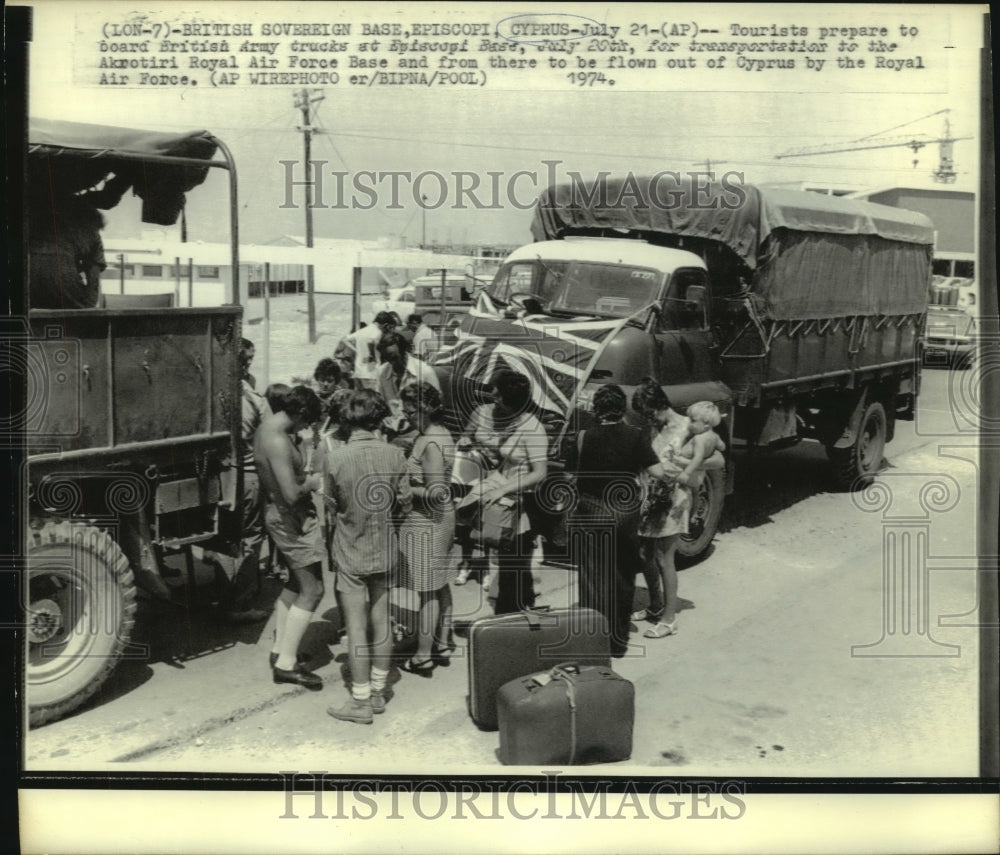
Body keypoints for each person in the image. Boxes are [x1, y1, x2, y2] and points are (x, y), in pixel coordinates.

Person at [325, 389, 412, 724]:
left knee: (356, 627)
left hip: (350, 549)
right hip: (386, 549)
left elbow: (332, 508)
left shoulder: (335, 458)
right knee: (382, 620)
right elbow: (403, 505)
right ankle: (378, 692)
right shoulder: (395, 455)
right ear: (378, 419)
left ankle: (359, 700)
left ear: (346, 420)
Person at [567, 384, 664, 657]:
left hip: (590, 512)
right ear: (622, 410)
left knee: (590, 578)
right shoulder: (636, 435)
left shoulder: (583, 437)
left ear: (596, 410)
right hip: (624, 513)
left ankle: (592, 643)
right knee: (623, 578)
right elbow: (657, 471)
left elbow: (567, 478)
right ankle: (618, 643)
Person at [630, 379, 725, 640]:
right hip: (650, 496)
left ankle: (669, 619)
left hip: (673, 499)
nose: (648, 419)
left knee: (664, 557)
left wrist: (685, 468)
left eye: (650, 413)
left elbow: (719, 458)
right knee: (644, 554)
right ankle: (655, 604)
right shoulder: (655, 427)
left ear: (660, 405)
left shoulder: (690, 426)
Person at [254, 385, 326, 688]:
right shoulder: (279, 441)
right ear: (299, 413)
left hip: (278, 515)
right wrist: (312, 482)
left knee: (295, 583)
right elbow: (292, 494)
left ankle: (281, 649)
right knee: (314, 589)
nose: (307, 427)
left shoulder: (267, 427)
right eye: (307, 421)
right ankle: (285, 665)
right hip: (290, 519)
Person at [463, 369, 547, 614]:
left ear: (512, 400)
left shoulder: (532, 428)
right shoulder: (512, 422)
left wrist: (502, 489)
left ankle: (511, 620)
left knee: (514, 570)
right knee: (507, 568)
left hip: (521, 508)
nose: (493, 398)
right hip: (505, 503)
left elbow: (539, 473)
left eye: (498, 395)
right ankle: (510, 615)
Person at [208, 340, 272, 623]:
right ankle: (240, 603)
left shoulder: (214, 391)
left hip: (219, 475)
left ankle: (224, 595)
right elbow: (267, 441)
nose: (248, 365)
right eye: (245, 360)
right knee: (249, 538)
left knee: (224, 537)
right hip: (246, 476)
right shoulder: (249, 398)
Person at [397, 383, 456, 675]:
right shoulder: (440, 434)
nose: (406, 417)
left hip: (429, 520)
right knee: (440, 583)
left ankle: (422, 656)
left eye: (410, 412)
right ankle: (442, 644)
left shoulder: (430, 442)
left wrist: (406, 489)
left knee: (427, 590)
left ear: (424, 409)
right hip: (441, 519)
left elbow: (436, 492)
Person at [29, 192, 107, 309]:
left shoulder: (39, 217)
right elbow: (93, 273)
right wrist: (87, 305)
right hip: (62, 279)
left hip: (29, 276)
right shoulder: (91, 231)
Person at [375, 331, 442, 419]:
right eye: (386, 358)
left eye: (394, 358)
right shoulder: (382, 372)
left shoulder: (424, 371)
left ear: (404, 352)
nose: (391, 363)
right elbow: (380, 401)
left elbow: (437, 404)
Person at [333, 312, 397, 389]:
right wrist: (371, 354)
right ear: (385, 325)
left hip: (358, 371)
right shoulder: (378, 333)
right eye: (389, 327)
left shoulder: (362, 330)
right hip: (371, 373)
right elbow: (371, 342)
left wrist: (357, 351)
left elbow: (345, 339)